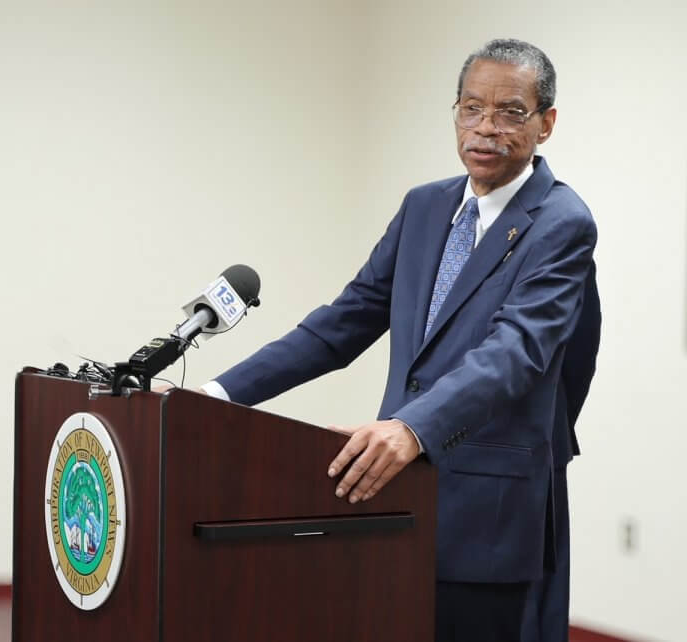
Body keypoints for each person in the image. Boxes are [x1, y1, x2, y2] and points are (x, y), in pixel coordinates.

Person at [202, 38, 600, 642]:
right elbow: (343, 323)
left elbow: (515, 351)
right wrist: (219, 394)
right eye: (471, 108)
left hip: (488, 513)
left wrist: (413, 427)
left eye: (509, 112)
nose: (485, 128)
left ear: (545, 123)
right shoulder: (424, 206)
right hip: (394, 496)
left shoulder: (562, 223)